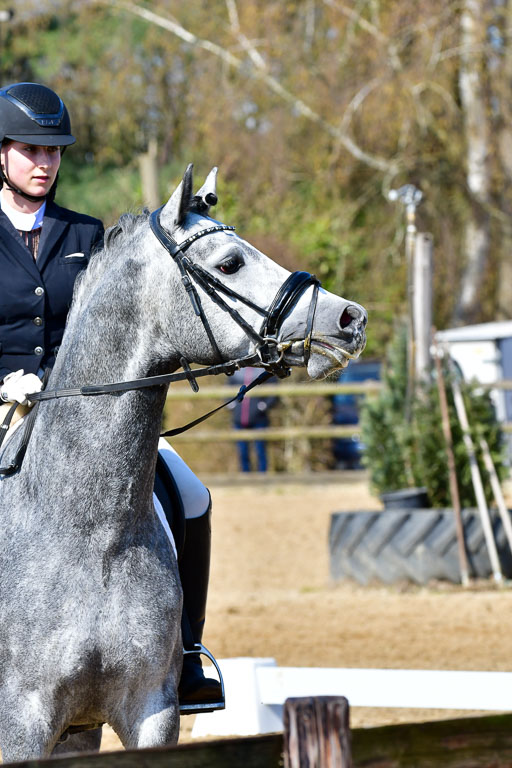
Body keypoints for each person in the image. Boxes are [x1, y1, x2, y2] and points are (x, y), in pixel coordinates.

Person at [0, 82, 221, 707]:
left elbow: (114, 327)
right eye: (31, 150)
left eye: (54, 151)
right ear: (1, 153)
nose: (45, 163)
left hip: (82, 416)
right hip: (0, 408)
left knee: (192, 495)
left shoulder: (86, 233)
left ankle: (186, 653)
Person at [228, 367, 278, 472]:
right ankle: (245, 476)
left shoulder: (265, 369)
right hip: (239, 419)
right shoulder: (236, 372)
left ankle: (262, 475)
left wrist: (264, 406)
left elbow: (274, 391)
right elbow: (227, 388)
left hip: (259, 418)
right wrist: (231, 405)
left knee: (260, 450)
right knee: (242, 452)